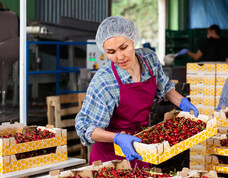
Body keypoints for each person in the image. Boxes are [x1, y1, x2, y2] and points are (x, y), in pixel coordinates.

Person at [75, 16, 199, 167]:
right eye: (111, 52)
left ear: (133, 39)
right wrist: (118, 138)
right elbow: (86, 128)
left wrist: (183, 102)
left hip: (142, 147)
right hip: (109, 158)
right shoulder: (104, 81)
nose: (120, 57)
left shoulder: (149, 59)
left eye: (123, 47)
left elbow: (164, 87)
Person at [0, 1, 19, 106]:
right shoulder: (13, 15)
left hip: (2, 49)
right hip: (15, 49)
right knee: (5, 67)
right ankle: (3, 100)